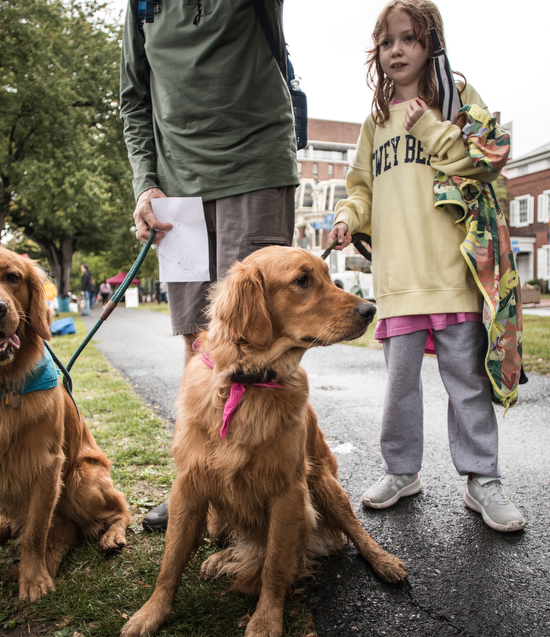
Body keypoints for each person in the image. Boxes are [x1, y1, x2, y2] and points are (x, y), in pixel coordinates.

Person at [328, 0, 525, 532]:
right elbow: (360, 186)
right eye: (388, 41)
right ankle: (401, 471)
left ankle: (482, 478)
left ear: (431, 45)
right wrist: (349, 216)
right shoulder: (376, 120)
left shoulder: (459, 99)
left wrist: (433, 128)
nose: (397, 49)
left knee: (467, 384)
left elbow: (486, 159)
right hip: (396, 281)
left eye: (410, 39)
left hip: (454, 276)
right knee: (399, 389)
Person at [120, 0, 299, 532]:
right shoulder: (142, 3)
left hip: (255, 168)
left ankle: (266, 480)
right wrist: (145, 183)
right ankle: (198, 483)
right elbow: (134, 98)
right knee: (199, 343)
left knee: (259, 334)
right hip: (177, 195)